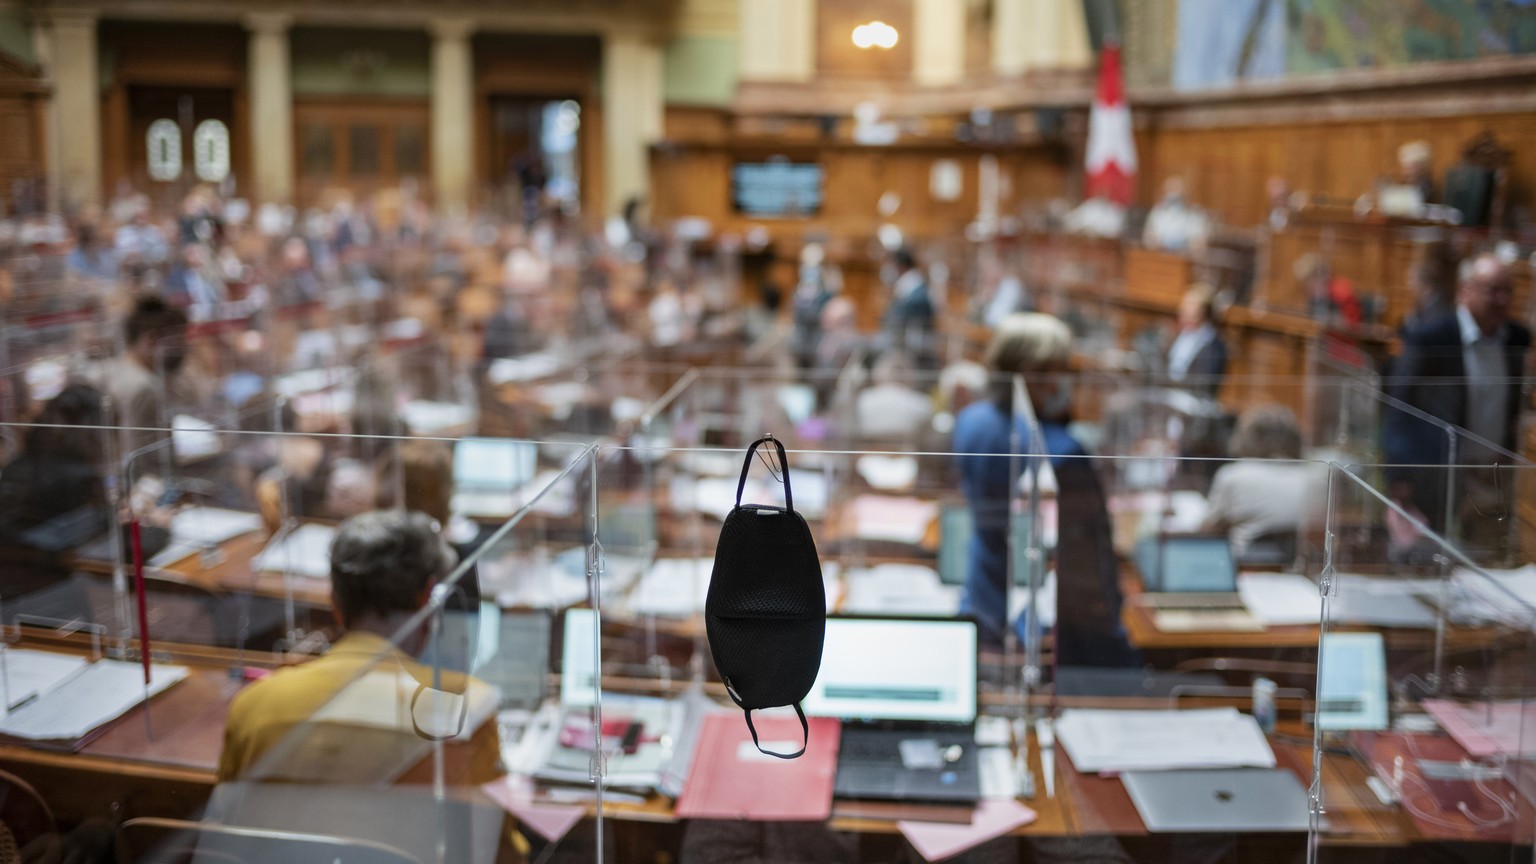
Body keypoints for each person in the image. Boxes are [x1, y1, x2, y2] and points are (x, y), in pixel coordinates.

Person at [218, 509, 502, 785]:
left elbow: (228, 821)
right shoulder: (467, 709)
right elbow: (489, 828)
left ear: (335, 603)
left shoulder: (253, 705)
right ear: (429, 597)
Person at [952, 314, 1136, 666]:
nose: (1065, 381)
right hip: (1039, 621)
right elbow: (1090, 558)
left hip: (982, 596)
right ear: (1035, 374)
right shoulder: (1061, 450)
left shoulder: (970, 421)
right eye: (1061, 370)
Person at [1384, 253, 1531, 549]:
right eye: (1493, 290)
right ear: (1466, 290)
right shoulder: (1431, 338)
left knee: (1485, 557)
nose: (1502, 299)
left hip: (1492, 477)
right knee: (1423, 558)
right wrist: (1398, 474)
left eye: (1507, 291)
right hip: (1439, 473)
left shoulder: (1518, 338)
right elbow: (1399, 405)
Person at [1202, 405, 1321, 560]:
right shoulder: (1316, 480)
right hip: (1301, 568)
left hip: (1245, 566)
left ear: (1245, 437)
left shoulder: (1233, 475)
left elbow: (1208, 529)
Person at [91, 296, 188, 456]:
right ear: (151, 339)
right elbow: (141, 457)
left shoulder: (107, 370)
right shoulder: (144, 388)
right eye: (177, 340)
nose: (182, 347)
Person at [1166, 285, 1227, 397]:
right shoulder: (1179, 334)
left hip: (1194, 401)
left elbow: (1206, 382)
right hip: (1170, 396)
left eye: (1190, 304)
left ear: (1204, 310)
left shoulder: (1214, 345)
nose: (1183, 309)